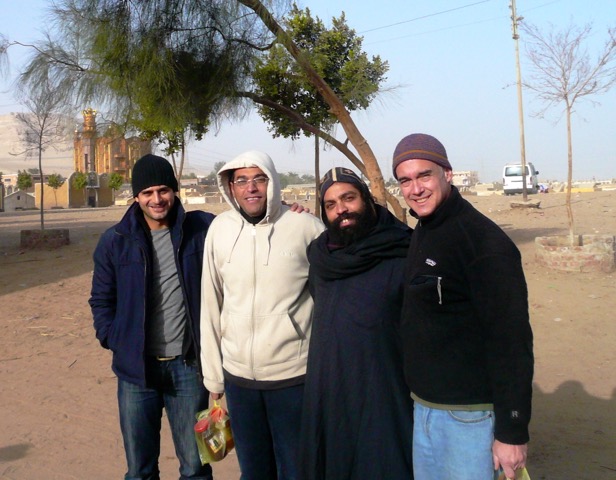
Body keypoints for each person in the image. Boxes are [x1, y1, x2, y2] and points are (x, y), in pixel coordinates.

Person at [392, 133, 534, 480]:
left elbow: (511, 342)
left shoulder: (483, 243)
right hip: (425, 409)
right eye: (405, 181)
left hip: (468, 418)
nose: (416, 189)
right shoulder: (424, 230)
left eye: (424, 175)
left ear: (447, 174)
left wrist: (512, 432)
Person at [199, 150, 325, 480]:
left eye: (259, 179)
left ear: (272, 182)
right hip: (239, 381)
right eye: (241, 180)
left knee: (296, 471)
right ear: (230, 186)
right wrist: (213, 377)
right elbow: (211, 303)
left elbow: (331, 300)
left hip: (293, 378)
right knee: (254, 471)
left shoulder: (306, 227)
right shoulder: (220, 230)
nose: (251, 188)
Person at [90, 154, 215, 480]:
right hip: (136, 372)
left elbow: (249, 224)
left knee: (195, 467)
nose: (156, 199)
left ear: (174, 191)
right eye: (147, 193)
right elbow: (101, 300)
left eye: (163, 190)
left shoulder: (201, 229)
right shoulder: (114, 242)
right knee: (140, 469)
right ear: (136, 196)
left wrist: (288, 211)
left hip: (189, 369)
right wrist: (113, 337)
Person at [299, 167, 414, 480]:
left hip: (385, 393)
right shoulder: (321, 258)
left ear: (366, 198)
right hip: (331, 391)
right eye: (331, 204)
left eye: (348, 198)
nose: (342, 209)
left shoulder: (402, 250)